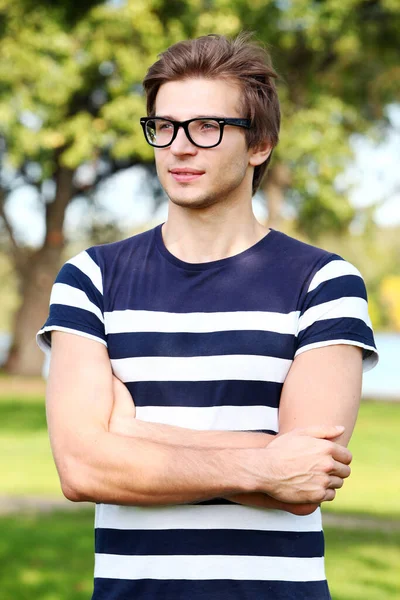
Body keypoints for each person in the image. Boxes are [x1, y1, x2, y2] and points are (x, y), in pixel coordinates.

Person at [37, 33, 378, 600]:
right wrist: (264, 465)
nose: (178, 147)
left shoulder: (324, 282)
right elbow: (81, 469)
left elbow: (306, 479)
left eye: (207, 127)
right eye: (164, 127)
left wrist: (129, 433)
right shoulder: (90, 279)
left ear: (260, 144)